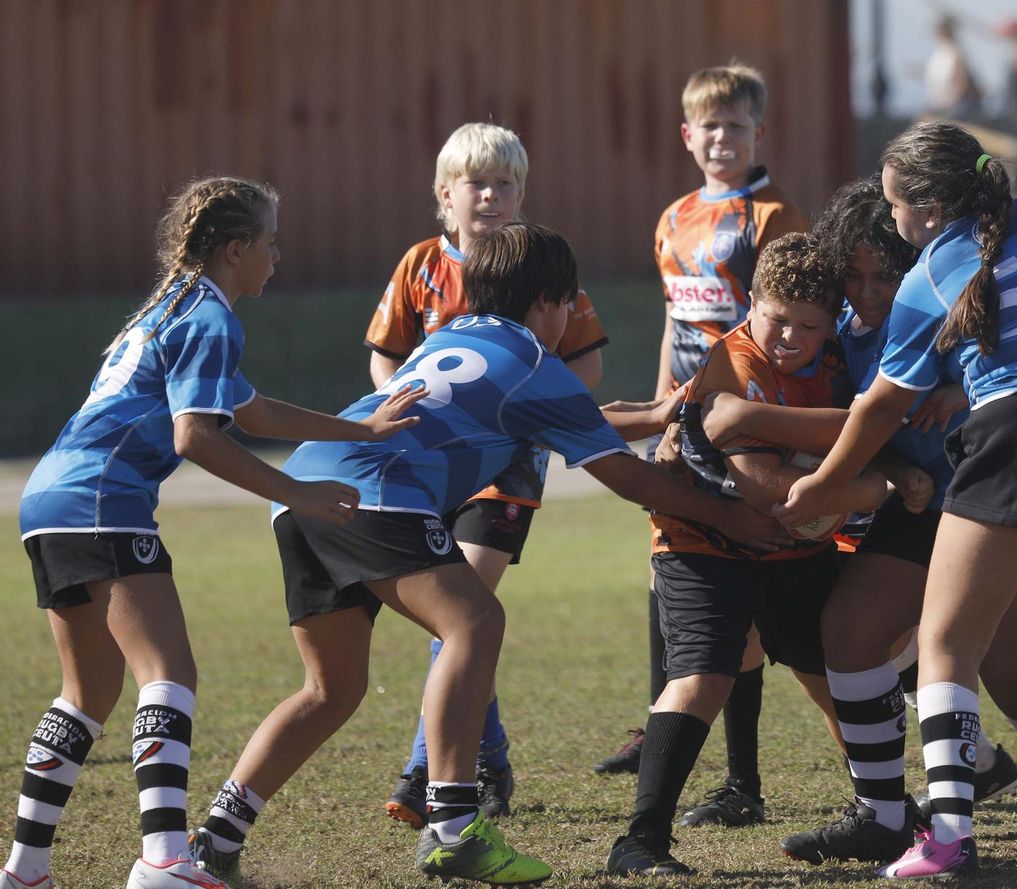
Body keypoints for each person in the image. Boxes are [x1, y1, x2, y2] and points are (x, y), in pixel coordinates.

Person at [186, 223, 787, 887]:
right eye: (568, 305)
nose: (568, 319)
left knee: (332, 687)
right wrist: (734, 516)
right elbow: (630, 478)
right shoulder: (534, 364)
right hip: (378, 492)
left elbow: (576, 417)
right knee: (473, 622)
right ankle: (451, 827)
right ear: (547, 305)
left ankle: (217, 835)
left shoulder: (457, 337)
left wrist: (658, 412)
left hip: (305, 490)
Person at [695, 178, 1017, 870]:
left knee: (973, 652)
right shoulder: (846, 331)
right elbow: (868, 414)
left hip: (985, 490)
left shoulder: (944, 296)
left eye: (879, 274)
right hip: (934, 499)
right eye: (851, 275)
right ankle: (897, 813)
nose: (863, 291)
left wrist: (763, 424)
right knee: (895, 636)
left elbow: (887, 407)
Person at [5, 176, 424, 889]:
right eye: (269, 242)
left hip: (49, 499)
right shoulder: (209, 317)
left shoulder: (171, 308)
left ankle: (26, 869)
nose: (277, 255)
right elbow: (197, 435)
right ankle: (166, 858)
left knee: (86, 692)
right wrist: (299, 492)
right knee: (168, 676)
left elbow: (252, 411)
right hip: (103, 499)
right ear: (236, 249)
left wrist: (361, 428)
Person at [605, 233, 895, 877]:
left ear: (831, 325)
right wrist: (877, 486)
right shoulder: (732, 363)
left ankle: (884, 814)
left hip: (794, 551)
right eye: (777, 319)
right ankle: (640, 841)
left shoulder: (839, 361)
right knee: (704, 677)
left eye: (808, 325)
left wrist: (869, 454)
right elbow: (764, 489)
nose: (790, 337)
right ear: (750, 305)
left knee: (842, 676)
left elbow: (873, 427)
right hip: (701, 545)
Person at [364, 122, 611, 826]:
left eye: (508, 184)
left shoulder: (540, 264)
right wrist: (396, 399)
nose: (494, 196)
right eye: (479, 182)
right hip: (430, 466)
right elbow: (385, 356)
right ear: (446, 195)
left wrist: (540, 404)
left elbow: (587, 360)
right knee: (454, 619)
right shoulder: (419, 265)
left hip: (506, 468)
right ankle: (490, 754)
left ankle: (422, 770)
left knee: (460, 608)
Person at [594, 64, 807, 834]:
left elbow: (792, 325)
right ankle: (681, 742)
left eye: (735, 125)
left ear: (759, 132)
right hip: (684, 424)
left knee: (738, 600)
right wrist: (656, 416)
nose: (721, 138)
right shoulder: (674, 216)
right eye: (707, 127)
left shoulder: (774, 216)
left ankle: (742, 780)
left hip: (741, 423)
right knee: (676, 581)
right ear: (687, 137)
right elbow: (672, 323)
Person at [925, 15, 983, 119]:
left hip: (955, 106)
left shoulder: (955, 53)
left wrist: (953, 103)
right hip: (941, 104)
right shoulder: (940, 53)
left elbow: (961, 80)